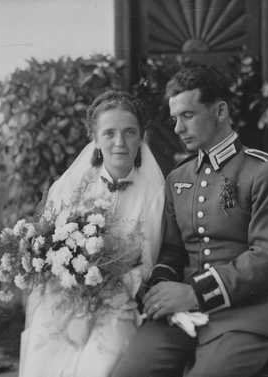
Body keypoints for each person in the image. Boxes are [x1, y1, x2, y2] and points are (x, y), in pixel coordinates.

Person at [112, 65, 268, 377]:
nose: (178, 128)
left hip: (245, 316)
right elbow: (172, 251)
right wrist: (160, 290)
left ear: (220, 111)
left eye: (188, 115)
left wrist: (195, 293)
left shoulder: (264, 172)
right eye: (174, 119)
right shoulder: (178, 178)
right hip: (183, 315)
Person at [18, 91, 165, 377]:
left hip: (120, 299)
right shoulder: (70, 187)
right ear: (95, 139)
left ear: (140, 138)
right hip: (66, 297)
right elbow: (49, 249)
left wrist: (114, 284)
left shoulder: (155, 195)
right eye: (109, 133)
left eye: (129, 132)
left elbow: (150, 263)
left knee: (100, 364)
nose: (119, 143)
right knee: (46, 352)